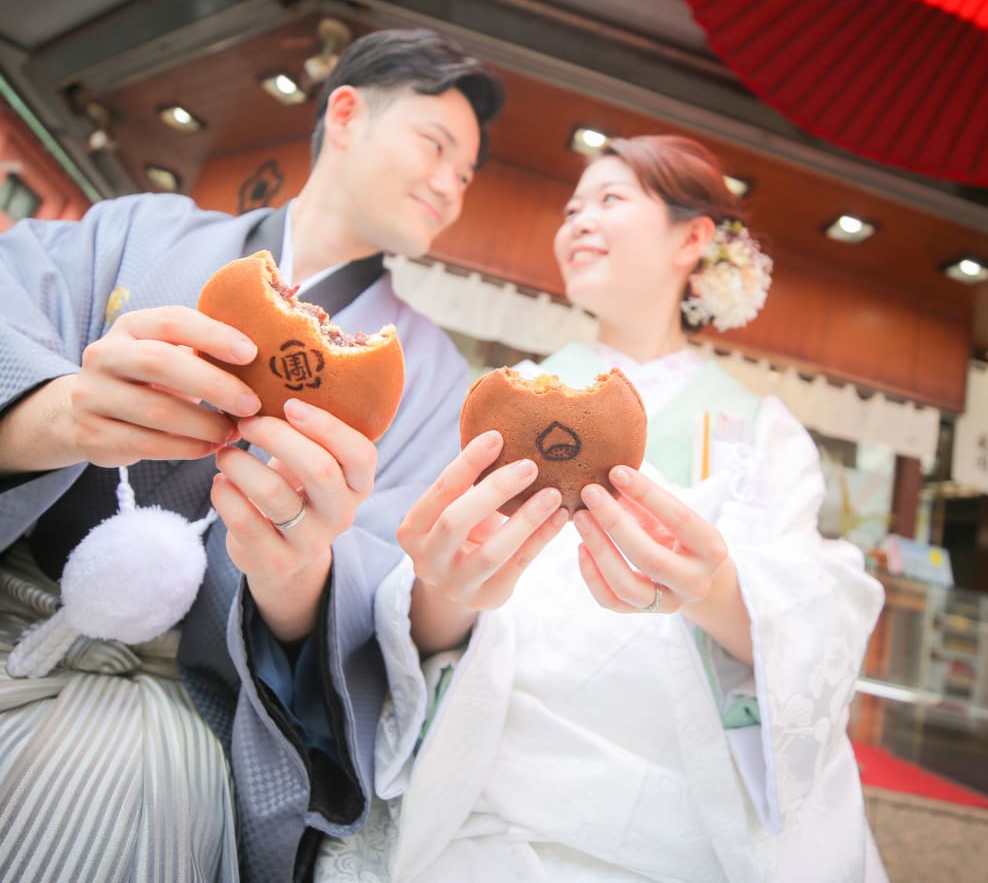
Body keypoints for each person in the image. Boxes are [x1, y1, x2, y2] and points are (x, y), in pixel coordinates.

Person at [0, 28, 511, 882]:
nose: (449, 187)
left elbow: (386, 592)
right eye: (437, 147)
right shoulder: (139, 228)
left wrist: (294, 578)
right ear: (345, 114)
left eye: (465, 176)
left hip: (167, 702)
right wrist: (54, 415)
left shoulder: (426, 378)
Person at [318, 134, 888, 882]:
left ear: (693, 239)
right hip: (506, 775)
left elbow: (817, 614)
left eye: (610, 200)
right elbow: (431, 615)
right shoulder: (509, 400)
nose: (578, 222)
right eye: (571, 208)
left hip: (686, 789)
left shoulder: (760, 431)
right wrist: (445, 589)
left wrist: (712, 587)